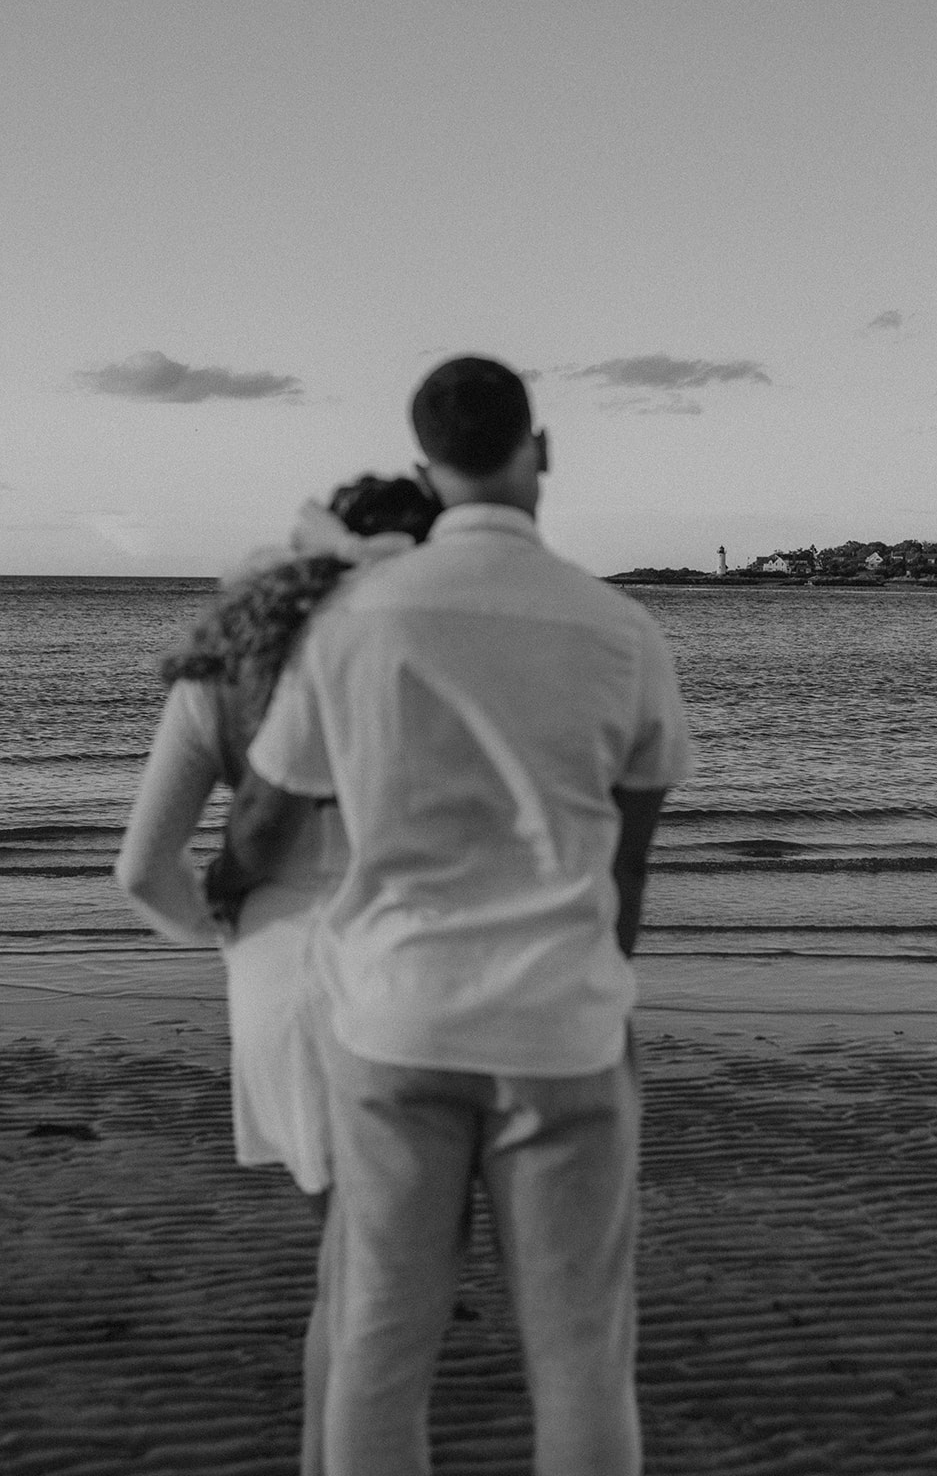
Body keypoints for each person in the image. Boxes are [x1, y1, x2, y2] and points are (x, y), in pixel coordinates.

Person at [210, 356, 692, 1476]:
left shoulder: (354, 623)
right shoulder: (619, 630)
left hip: (392, 1022)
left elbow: (265, 819)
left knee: (380, 1339)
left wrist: (225, 899)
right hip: (560, 1028)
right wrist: (593, 993)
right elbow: (627, 868)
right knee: (578, 1356)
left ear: (427, 467)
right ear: (543, 451)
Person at [114, 473, 442, 1476]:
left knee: (351, 1273)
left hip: (279, 982)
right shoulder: (441, 658)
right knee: (384, 1290)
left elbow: (141, 867)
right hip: (413, 972)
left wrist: (223, 934)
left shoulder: (228, 667)